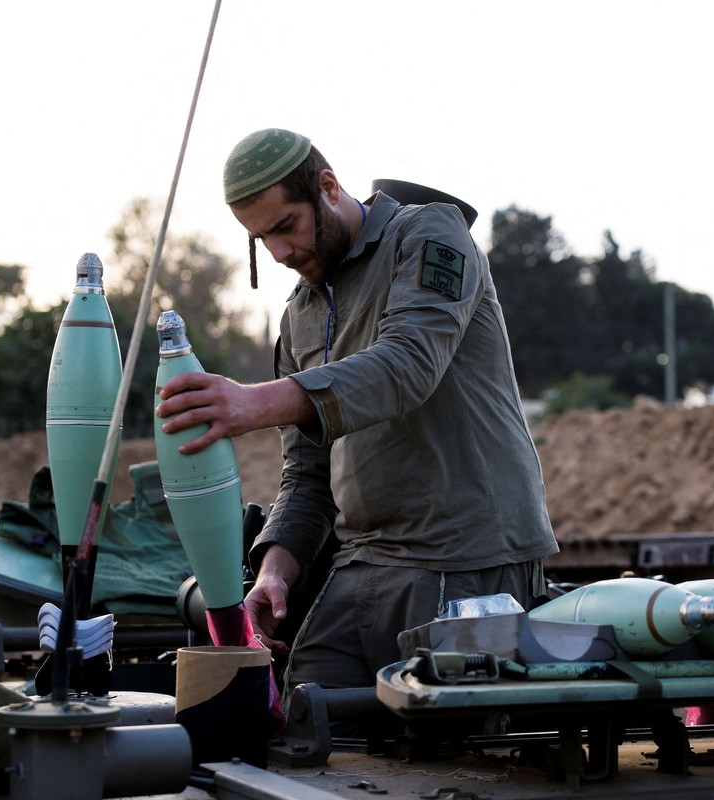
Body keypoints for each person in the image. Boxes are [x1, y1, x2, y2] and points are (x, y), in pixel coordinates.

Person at [155, 128, 558, 704]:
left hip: (461, 558)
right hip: (362, 564)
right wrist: (275, 571)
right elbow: (308, 475)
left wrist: (253, 401)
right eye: (259, 239)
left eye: (286, 226)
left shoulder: (429, 234)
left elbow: (408, 365)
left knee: (445, 762)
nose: (279, 253)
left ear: (328, 187)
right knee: (305, 721)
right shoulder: (299, 314)